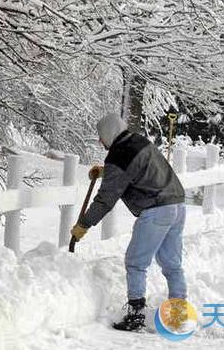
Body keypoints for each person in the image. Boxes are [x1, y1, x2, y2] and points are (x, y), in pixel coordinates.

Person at [70, 113, 187, 331]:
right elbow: (137, 171)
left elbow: (106, 199)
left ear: (108, 134)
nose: (100, 141)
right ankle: (179, 312)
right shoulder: (139, 141)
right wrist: (105, 172)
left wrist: (84, 225)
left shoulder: (118, 155)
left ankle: (135, 316)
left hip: (156, 210)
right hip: (177, 205)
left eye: (100, 136)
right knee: (172, 263)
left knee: (135, 262)